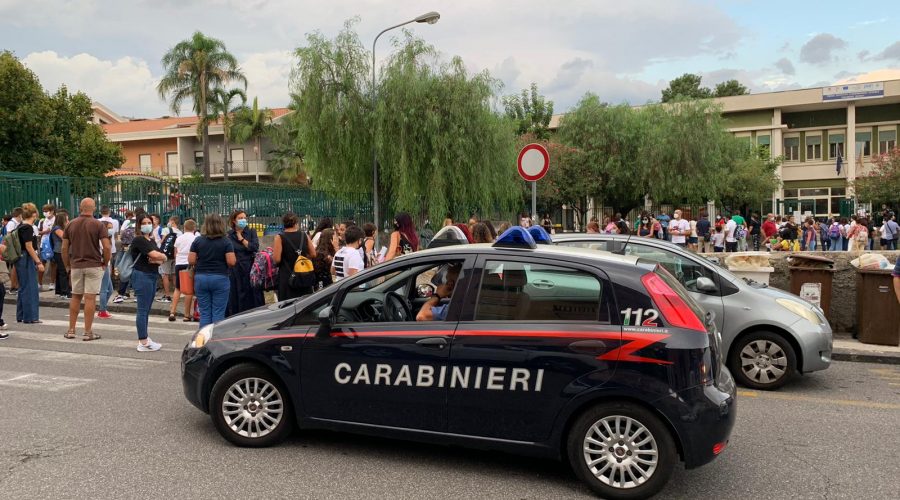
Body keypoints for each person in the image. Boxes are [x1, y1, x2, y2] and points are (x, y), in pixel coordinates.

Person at [61, 198, 111, 341]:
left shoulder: (70, 224)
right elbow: (107, 247)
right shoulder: (98, 225)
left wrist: (67, 265)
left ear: (80, 208)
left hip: (76, 265)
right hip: (94, 264)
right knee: (90, 297)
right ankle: (88, 332)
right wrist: (105, 262)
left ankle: (71, 330)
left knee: (76, 296)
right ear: (94, 208)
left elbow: (64, 248)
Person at [189, 214, 236, 328]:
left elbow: (191, 260)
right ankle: (215, 340)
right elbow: (231, 262)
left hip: (201, 278)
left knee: (204, 313)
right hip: (220, 278)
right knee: (218, 312)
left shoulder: (198, 240)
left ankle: (203, 340)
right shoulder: (226, 241)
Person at [129, 215, 167, 351]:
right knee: (143, 310)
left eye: (149, 222)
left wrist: (159, 257)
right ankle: (143, 341)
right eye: (144, 223)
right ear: (139, 226)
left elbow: (159, 257)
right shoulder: (139, 240)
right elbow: (157, 256)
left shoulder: (150, 240)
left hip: (151, 274)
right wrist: (160, 256)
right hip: (142, 275)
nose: (147, 225)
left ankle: (145, 337)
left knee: (146, 309)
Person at [226, 210, 263, 316]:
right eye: (240, 218)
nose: (243, 220)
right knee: (236, 293)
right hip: (235, 269)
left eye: (244, 218)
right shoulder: (229, 235)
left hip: (249, 267)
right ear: (234, 221)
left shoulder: (251, 232)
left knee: (250, 293)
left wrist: (242, 239)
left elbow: (254, 247)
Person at [273, 212, 317, 300]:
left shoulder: (280, 237)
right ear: (296, 223)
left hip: (287, 277)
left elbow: (277, 259)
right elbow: (313, 254)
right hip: (303, 275)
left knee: (288, 305)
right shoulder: (304, 235)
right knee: (304, 303)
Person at [14, 204, 42, 324]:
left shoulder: (20, 226)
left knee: (23, 287)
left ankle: (21, 315)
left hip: (20, 257)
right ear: (34, 214)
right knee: (30, 288)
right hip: (26, 258)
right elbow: (29, 247)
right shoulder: (28, 228)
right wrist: (38, 261)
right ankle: (30, 317)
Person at [170, 219, 198, 322]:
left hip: (178, 264)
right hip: (189, 264)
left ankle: (172, 311)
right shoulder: (196, 238)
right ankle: (186, 315)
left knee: (178, 288)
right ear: (194, 228)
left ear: (184, 227)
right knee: (189, 290)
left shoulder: (179, 238)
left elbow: (175, 253)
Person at [156, 216, 181, 304]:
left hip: (166, 256)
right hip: (175, 256)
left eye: (170, 221)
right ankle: (176, 294)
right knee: (174, 275)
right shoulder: (180, 232)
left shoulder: (166, 230)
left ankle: (167, 295)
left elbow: (163, 242)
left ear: (172, 222)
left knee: (165, 275)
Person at [96, 220, 116, 319]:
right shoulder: (100, 240)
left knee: (110, 290)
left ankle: (102, 308)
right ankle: (102, 310)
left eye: (111, 228)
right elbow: (103, 252)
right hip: (103, 265)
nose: (111, 230)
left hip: (106, 264)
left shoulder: (108, 239)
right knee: (104, 289)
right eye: (108, 228)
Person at [51, 212, 71, 299]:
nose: (68, 221)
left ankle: (59, 291)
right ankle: (65, 292)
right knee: (63, 271)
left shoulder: (59, 228)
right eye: (67, 219)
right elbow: (64, 237)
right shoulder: (57, 228)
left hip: (60, 252)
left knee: (60, 271)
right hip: (59, 252)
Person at [37, 204, 56, 291]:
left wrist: (45, 231)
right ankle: (39, 283)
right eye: (44, 211)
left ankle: (52, 283)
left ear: (52, 211)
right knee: (42, 263)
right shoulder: (41, 221)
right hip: (43, 244)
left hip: (53, 243)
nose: (45, 213)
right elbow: (38, 232)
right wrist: (45, 231)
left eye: (46, 211)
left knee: (53, 264)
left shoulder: (56, 220)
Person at [5, 207, 22, 293]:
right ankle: (13, 286)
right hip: (13, 248)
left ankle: (16, 285)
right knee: (15, 267)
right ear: (19, 215)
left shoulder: (17, 223)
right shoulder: (12, 223)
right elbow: (9, 236)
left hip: (16, 247)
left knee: (16, 267)